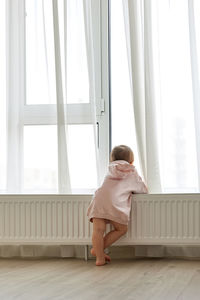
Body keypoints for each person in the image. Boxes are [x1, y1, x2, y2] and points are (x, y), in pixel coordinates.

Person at [87, 145, 148, 266]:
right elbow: (143, 189)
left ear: (112, 159)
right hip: (115, 202)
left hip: (99, 199)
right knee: (121, 229)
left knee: (98, 230)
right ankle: (97, 249)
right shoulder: (131, 171)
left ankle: (100, 257)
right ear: (131, 161)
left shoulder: (110, 168)